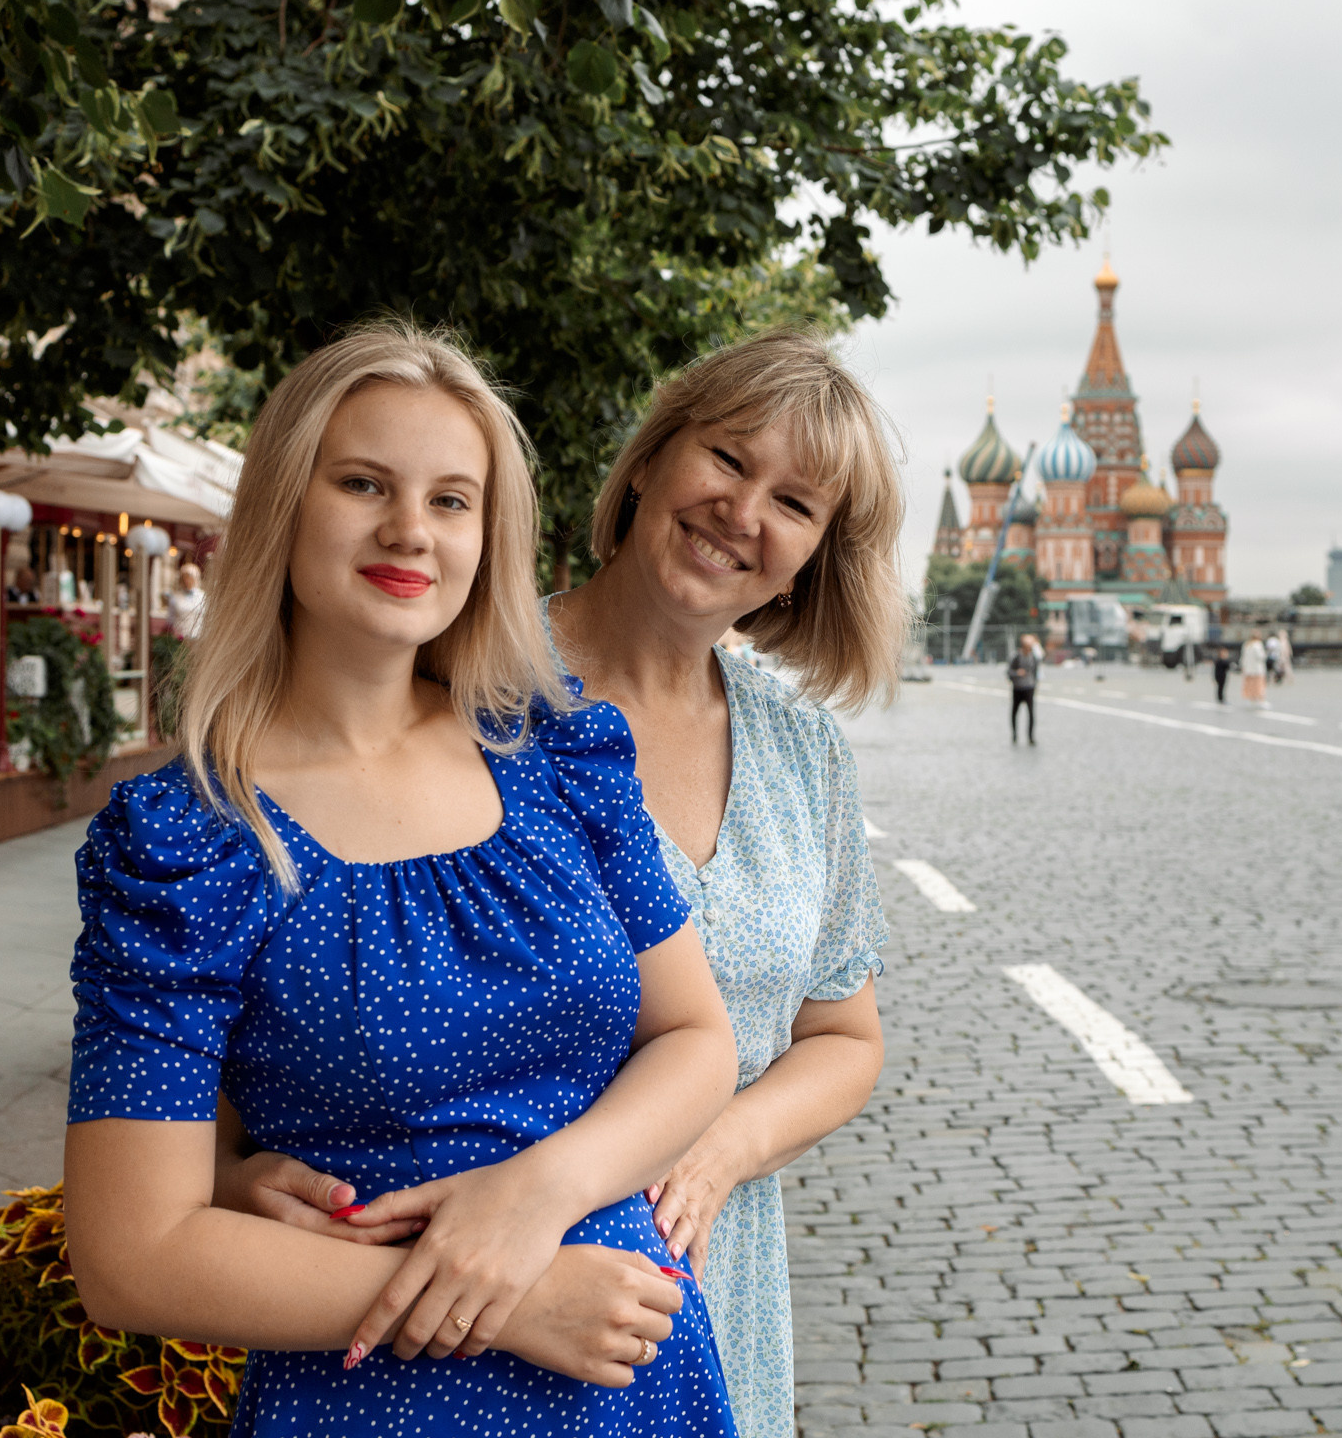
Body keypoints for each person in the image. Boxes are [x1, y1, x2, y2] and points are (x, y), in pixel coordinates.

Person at [220, 329, 903, 1438]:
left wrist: (720, 1139)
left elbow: (843, 1033)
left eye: (795, 503)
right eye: (728, 460)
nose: (744, 511)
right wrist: (223, 1168)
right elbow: (286, 958)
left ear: (815, 554)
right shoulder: (461, 675)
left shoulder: (803, 752)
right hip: (448, 1307)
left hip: (707, 1277)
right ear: (648, 461)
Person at [63, 325, 743, 1436]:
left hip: (636, 1383)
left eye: (451, 500)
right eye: (364, 482)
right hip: (372, 1404)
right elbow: (132, 1255)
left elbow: (696, 1037)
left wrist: (541, 1192)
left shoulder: (559, 753)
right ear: (286, 501)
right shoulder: (191, 840)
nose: (408, 531)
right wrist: (509, 1294)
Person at [1008, 633, 1042, 744]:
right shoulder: (1016, 657)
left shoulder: (1034, 658)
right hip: (1018, 688)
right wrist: (1017, 673)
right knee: (1014, 712)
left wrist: (1035, 684)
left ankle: (1030, 736)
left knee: (1031, 713)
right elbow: (1009, 672)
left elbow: (1036, 672)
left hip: (1029, 687)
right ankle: (1014, 735)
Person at [167, 560, 207, 638]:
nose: (187, 581)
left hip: (199, 637)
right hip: (180, 638)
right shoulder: (175, 597)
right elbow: (170, 619)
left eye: (190, 577)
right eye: (185, 578)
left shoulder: (203, 597)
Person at [1239, 633, 1267, 708]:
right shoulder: (1258, 645)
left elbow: (1243, 657)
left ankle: (1251, 699)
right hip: (1257, 669)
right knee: (1258, 685)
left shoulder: (1246, 645)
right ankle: (1260, 700)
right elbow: (1261, 656)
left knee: (1249, 685)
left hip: (1248, 669)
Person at [1212, 639, 1231, 704]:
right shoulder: (1221, 661)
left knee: (1221, 688)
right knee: (1221, 688)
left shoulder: (1218, 660)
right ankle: (1221, 699)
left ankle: (1221, 698)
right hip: (1221, 676)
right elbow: (1228, 666)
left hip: (1220, 676)